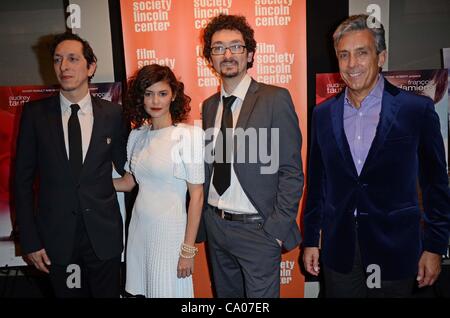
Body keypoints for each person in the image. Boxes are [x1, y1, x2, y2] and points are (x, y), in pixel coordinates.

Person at [302, 14, 450, 298]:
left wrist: (434, 246)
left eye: (361, 53)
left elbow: (436, 185)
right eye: (343, 55)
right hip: (340, 250)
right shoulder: (322, 114)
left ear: (381, 57)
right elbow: (317, 183)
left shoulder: (416, 110)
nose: (352, 64)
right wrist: (311, 239)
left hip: (396, 248)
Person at [198, 14, 304, 298]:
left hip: (258, 231)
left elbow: (291, 171)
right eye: (218, 48)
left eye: (236, 46)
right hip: (216, 227)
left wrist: (276, 231)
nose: (228, 54)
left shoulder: (275, 98)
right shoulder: (209, 106)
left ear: (250, 53)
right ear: (210, 58)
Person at [14, 32, 127, 297]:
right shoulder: (35, 115)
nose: (64, 66)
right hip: (56, 243)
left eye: (73, 59)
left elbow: (128, 167)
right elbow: (22, 182)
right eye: (57, 60)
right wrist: (29, 241)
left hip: (104, 239)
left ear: (91, 66)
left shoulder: (113, 114)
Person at [113, 64, 204, 298]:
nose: (155, 100)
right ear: (140, 98)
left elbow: (197, 195)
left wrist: (188, 251)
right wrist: (88, 182)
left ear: (173, 95)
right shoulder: (137, 136)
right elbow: (128, 182)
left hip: (170, 233)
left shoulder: (188, 136)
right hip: (139, 230)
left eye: (162, 93)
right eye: (148, 93)